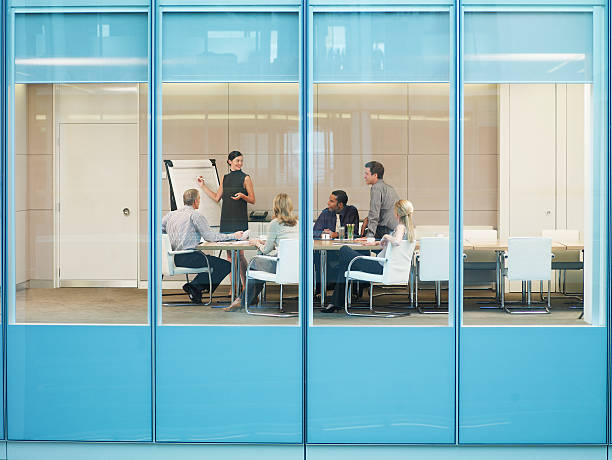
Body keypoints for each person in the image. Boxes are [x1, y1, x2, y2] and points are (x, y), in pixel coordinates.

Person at [321, 200, 415, 313]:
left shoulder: (400, 227)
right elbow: (393, 246)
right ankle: (334, 303)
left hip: (380, 267)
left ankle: (335, 302)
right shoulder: (410, 230)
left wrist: (385, 236)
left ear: (397, 213)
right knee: (345, 266)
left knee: (344, 249)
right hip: (385, 266)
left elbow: (397, 242)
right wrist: (377, 242)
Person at [162, 189, 243, 304]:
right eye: (199, 199)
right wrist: (234, 235)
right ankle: (195, 287)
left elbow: (159, 230)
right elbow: (210, 237)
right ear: (195, 201)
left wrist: (171, 240)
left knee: (211, 262)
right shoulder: (195, 215)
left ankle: (196, 290)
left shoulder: (171, 215)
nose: (199, 202)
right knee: (225, 265)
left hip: (175, 257)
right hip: (191, 257)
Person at [225, 193, 299, 312]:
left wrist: (256, 243)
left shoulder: (275, 223)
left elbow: (266, 250)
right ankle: (248, 299)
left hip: (280, 266)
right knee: (258, 264)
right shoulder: (298, 223)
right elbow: (288, 245)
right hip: (298, 267)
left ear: (276, 207)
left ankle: (244, 300)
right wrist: (274, 244)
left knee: (254, 264)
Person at [198, 150, 255, 288]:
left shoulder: (246, 178)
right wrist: (203, 186)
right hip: (226, 219)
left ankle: (246, 285)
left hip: (239, 219)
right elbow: (217, 198)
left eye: (241, 161)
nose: (240, 163)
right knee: (229, 257)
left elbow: (252, 199)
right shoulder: (225, 178)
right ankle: (234, 288)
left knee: (240, 255)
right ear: (230, 162)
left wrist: (242, 196)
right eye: (237, 161)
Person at [313, 190, 359, 294]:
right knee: (316, 255)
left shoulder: (351, 212)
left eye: (331, 201)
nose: (328, 203)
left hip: (347, 250)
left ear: (340, 204)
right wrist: (323, 234)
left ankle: (351, 290)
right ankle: (321, 288)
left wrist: (337, 234)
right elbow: (314, 232)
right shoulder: (326, 212)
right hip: (330, 252)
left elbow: (355, 234)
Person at [361, 161, 400, 239]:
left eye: (367, 174)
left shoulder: (376, 188)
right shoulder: (389, 188)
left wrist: (369, 236)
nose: (364, 176)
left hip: (385, 230)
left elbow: (374, 213)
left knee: (360, 239)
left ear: (375, 175)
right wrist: (368, 218)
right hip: (394, 229)